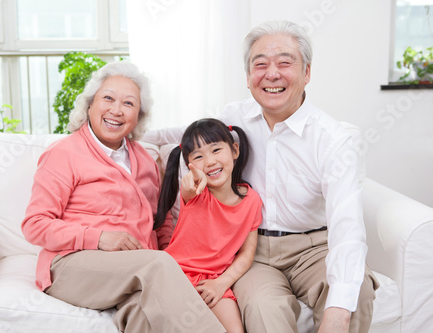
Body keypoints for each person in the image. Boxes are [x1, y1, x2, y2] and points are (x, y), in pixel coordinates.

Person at [143, 20, 378, 333]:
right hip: (253, 252)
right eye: (260, 64)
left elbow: (347, 227)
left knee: (356, 292)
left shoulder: (333, 139)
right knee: (263, 309)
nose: (272, 74)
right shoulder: (234, 117)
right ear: (248, 76)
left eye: (285, 62)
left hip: (315, 247)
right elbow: (187, 132)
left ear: (307, 73)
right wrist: (130, 132)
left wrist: (338, 313)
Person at [21, 61, 226, 333]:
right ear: (90, 105)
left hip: (131, 271)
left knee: (146, 314)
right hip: (71, 266)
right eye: (108, 98)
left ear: (138, 116)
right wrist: (99, 237)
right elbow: (35, 224)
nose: (116, 110)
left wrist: (173, 257)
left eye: (128, 104)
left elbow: (159, 221)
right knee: (157, 265)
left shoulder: (144, 159)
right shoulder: (64, 153)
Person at [154, 118, 262, 333]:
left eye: (216, 150)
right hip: (176, 274)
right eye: (199, 157)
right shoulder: (195, 192)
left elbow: (246, 254)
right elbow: (189, 188)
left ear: (234, 151)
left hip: (214, 280)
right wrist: (191, 184)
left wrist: (222, 283)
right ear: (189, 166)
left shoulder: (252, 200)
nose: (210, 161)